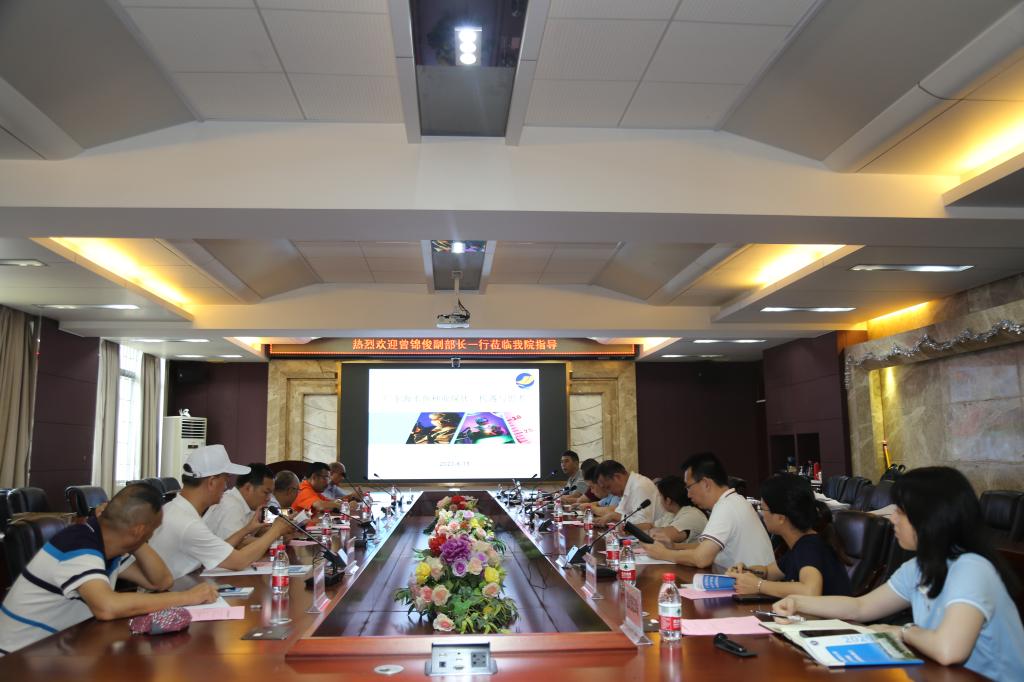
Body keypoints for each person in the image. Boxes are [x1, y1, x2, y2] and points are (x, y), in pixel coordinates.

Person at [773, 467, 1024, 679]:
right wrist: (797, 602)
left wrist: (904, 632)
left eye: (901, 511)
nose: (892, 519)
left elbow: (949, 650)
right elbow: (860, 607)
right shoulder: (920, 567)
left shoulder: (971, 568)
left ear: (930, 518)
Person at [0, 484, 218, 655]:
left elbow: (160, 581)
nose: (152, 535)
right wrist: (187, 597)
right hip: (19, 660)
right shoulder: (78, 543)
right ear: (141, 530)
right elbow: (107, 607)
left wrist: (134, 540)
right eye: (153, 529)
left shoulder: (108, 545)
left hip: (58, 650)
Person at [149, 444, 293, 579]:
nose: (225, 488)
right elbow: (239, 561)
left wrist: (247, 529)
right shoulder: (187, 523)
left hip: (184, 583)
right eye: (225, 480)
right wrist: (276, 531)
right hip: (171, 591)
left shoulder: (176, 509)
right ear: (212, 482)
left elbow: (222, 548)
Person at [726, 473, 852, 597]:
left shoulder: (809, 546)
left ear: (781, 518)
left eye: (763, 509)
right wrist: (746, 571)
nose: (762, 514)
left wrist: (759, 585)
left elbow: (810, 591)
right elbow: (768, 572)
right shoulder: (800, 543)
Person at [642, 452, 774, 571]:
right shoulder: (732, 501)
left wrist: (663, 554)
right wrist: (673, 547)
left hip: (753, 585)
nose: (688, 495)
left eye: (689, 487)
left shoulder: (726, 506)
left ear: (706, 483)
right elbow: (704, 548)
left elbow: (701, 558)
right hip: (744, 580)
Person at [204, 462, 275, 542]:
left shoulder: (248, 506)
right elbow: (238, 544)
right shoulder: (232, 506)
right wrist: (274, 536)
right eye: (266, 492)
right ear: (248, 488)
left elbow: (254, 533)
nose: (269, 498)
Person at [592, 459, 664, 529]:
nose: (609, 492)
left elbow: (644, 523)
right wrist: (603, 519)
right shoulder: (627, 487)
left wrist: (615, 516)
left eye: (608, 487)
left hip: (657, 534)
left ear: (617, 477)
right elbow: (620, 513)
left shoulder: (639, 486)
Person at [649, 475, 707, 545]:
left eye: (660, 496)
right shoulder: (671, 513)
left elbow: (664, 536)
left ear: (668, 500)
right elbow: (651, 527)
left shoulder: (693, 515)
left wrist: (653, 531)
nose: (659, 500)